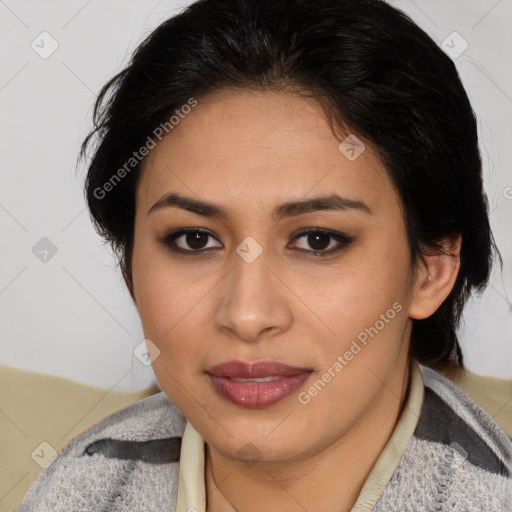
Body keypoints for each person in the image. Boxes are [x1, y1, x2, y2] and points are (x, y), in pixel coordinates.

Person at [16, 0, 512, 510]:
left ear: (430, 269)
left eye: (318, 239)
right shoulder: (77, 489)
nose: (247, 315)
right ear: (130, 270)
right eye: (194, 239)